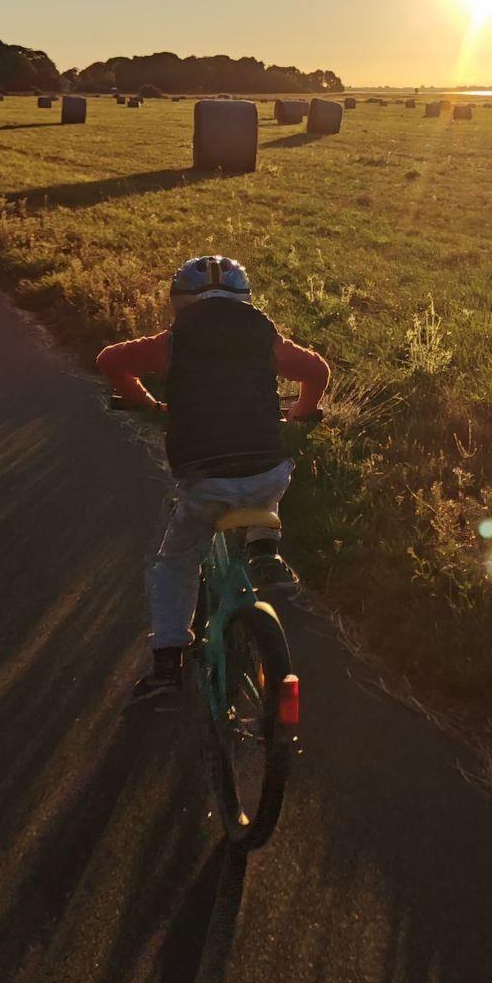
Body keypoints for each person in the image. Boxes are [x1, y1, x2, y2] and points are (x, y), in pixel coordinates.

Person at [96, 254, 329, 697]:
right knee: (268, 479)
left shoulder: (170, 343)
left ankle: (168, 662)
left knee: (176, 562)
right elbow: (316, 371)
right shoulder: (263, 336)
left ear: (180, 301)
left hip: (204, 479)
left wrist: (146, 403)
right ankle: (264, 549)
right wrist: (301, 413)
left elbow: (110, 360)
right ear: (244, 298)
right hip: (265, 472)